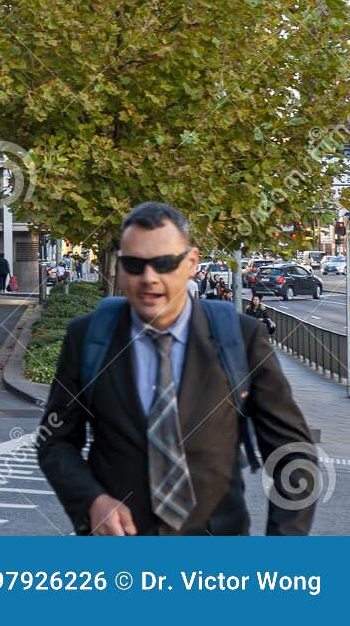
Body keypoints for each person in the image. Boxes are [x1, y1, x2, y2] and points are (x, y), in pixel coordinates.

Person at [37, 202, 315, 536]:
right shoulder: (87, 338)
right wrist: (91, 501)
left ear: (191, 263)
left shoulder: (241, 339)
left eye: (164, 263)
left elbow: (293, 454)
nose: (149, 278)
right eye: (134, 265)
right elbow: (54, 441)